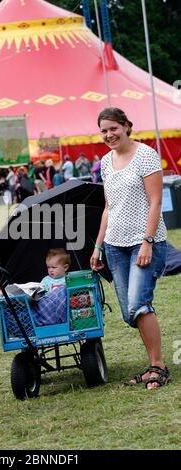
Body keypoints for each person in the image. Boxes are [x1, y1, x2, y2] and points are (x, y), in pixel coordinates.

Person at [90, 107, 169, 390]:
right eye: (104, 130)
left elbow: (156, 202)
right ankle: (154, 363)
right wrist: (98, 246)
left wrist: (147, 242)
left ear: (126, 126)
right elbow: (109, 208)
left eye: (114, 128)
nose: (109, 134)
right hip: (114, 246)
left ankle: (157, 367)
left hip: (144, 242)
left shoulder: (146, 156)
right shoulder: (106, 162)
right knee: (129, 313)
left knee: (139, 304)